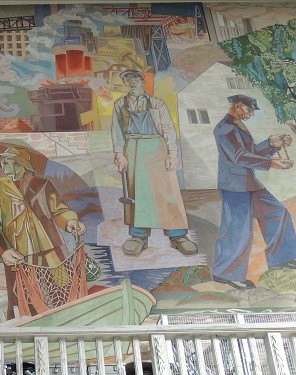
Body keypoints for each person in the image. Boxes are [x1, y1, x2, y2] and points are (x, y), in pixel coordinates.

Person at [0, 146, 86, 318]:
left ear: (19, 163)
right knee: (23, 296)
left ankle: (69, 318)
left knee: (63, 286)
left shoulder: (42, 185)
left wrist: (69, 221)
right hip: (19, 253)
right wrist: (3, 251)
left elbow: (58, 210)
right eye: (2, 162)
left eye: (7, 160)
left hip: (51, 246)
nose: (2, 165)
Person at [212, 94, 296, 289]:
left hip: (249, 183)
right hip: (234, 186)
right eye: (248, 110)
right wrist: (271, 163)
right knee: (237, 230)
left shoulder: (237, 125)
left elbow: (251, 153)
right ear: (237, 106)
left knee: (278, 213)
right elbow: (240, 157)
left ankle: (283, 258)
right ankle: (226, 273)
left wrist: (271, 144)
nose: (250, 114)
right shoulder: (225, 128)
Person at [111, 69, 198, 256]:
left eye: (135, 78)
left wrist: (172, 152)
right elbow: (117, 131)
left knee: (168, 192)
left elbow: (168, 128)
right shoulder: (120, 104)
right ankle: (138, 237)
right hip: (133, 150)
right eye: (128, 79)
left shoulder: (157, 103)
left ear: (142, 81)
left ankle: (178, 236)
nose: (131, 82)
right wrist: (119, 154)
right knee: (136, 194)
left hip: (157, 148)